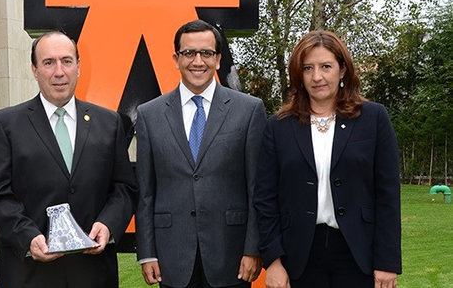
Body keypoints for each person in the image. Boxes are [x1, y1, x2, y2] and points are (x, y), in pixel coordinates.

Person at [0, 31, 137, 288]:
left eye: (66, 61)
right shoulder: (6, 124)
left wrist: (108, 224)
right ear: (34, 70)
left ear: (78, 66)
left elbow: (124, 188)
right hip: (29, 273)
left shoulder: (109, 122)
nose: (59, 71)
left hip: (93, 273)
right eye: (48, 62)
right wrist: (29, 237)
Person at [254, 30, 401, 288]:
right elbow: (265, 199)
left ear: (342, 70)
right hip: (298, 256)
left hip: (358, 254)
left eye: (326, 66)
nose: (317, 76)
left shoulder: (373, 118)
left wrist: (387, 262)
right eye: (308, 68)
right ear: (299, 74)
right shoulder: (278, 127)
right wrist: (273, 262)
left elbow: (387, 194)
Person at [135, 19, 266, 288]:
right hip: (172, 258)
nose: (198, 61)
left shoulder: (249, 110)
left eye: (206, 53)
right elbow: (146, 192)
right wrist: (146, 253)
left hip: (231, 256)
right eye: (189, 53)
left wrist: (253, 248)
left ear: (218, 59)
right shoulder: (150, 114)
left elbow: (257, 188)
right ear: (176, 58)